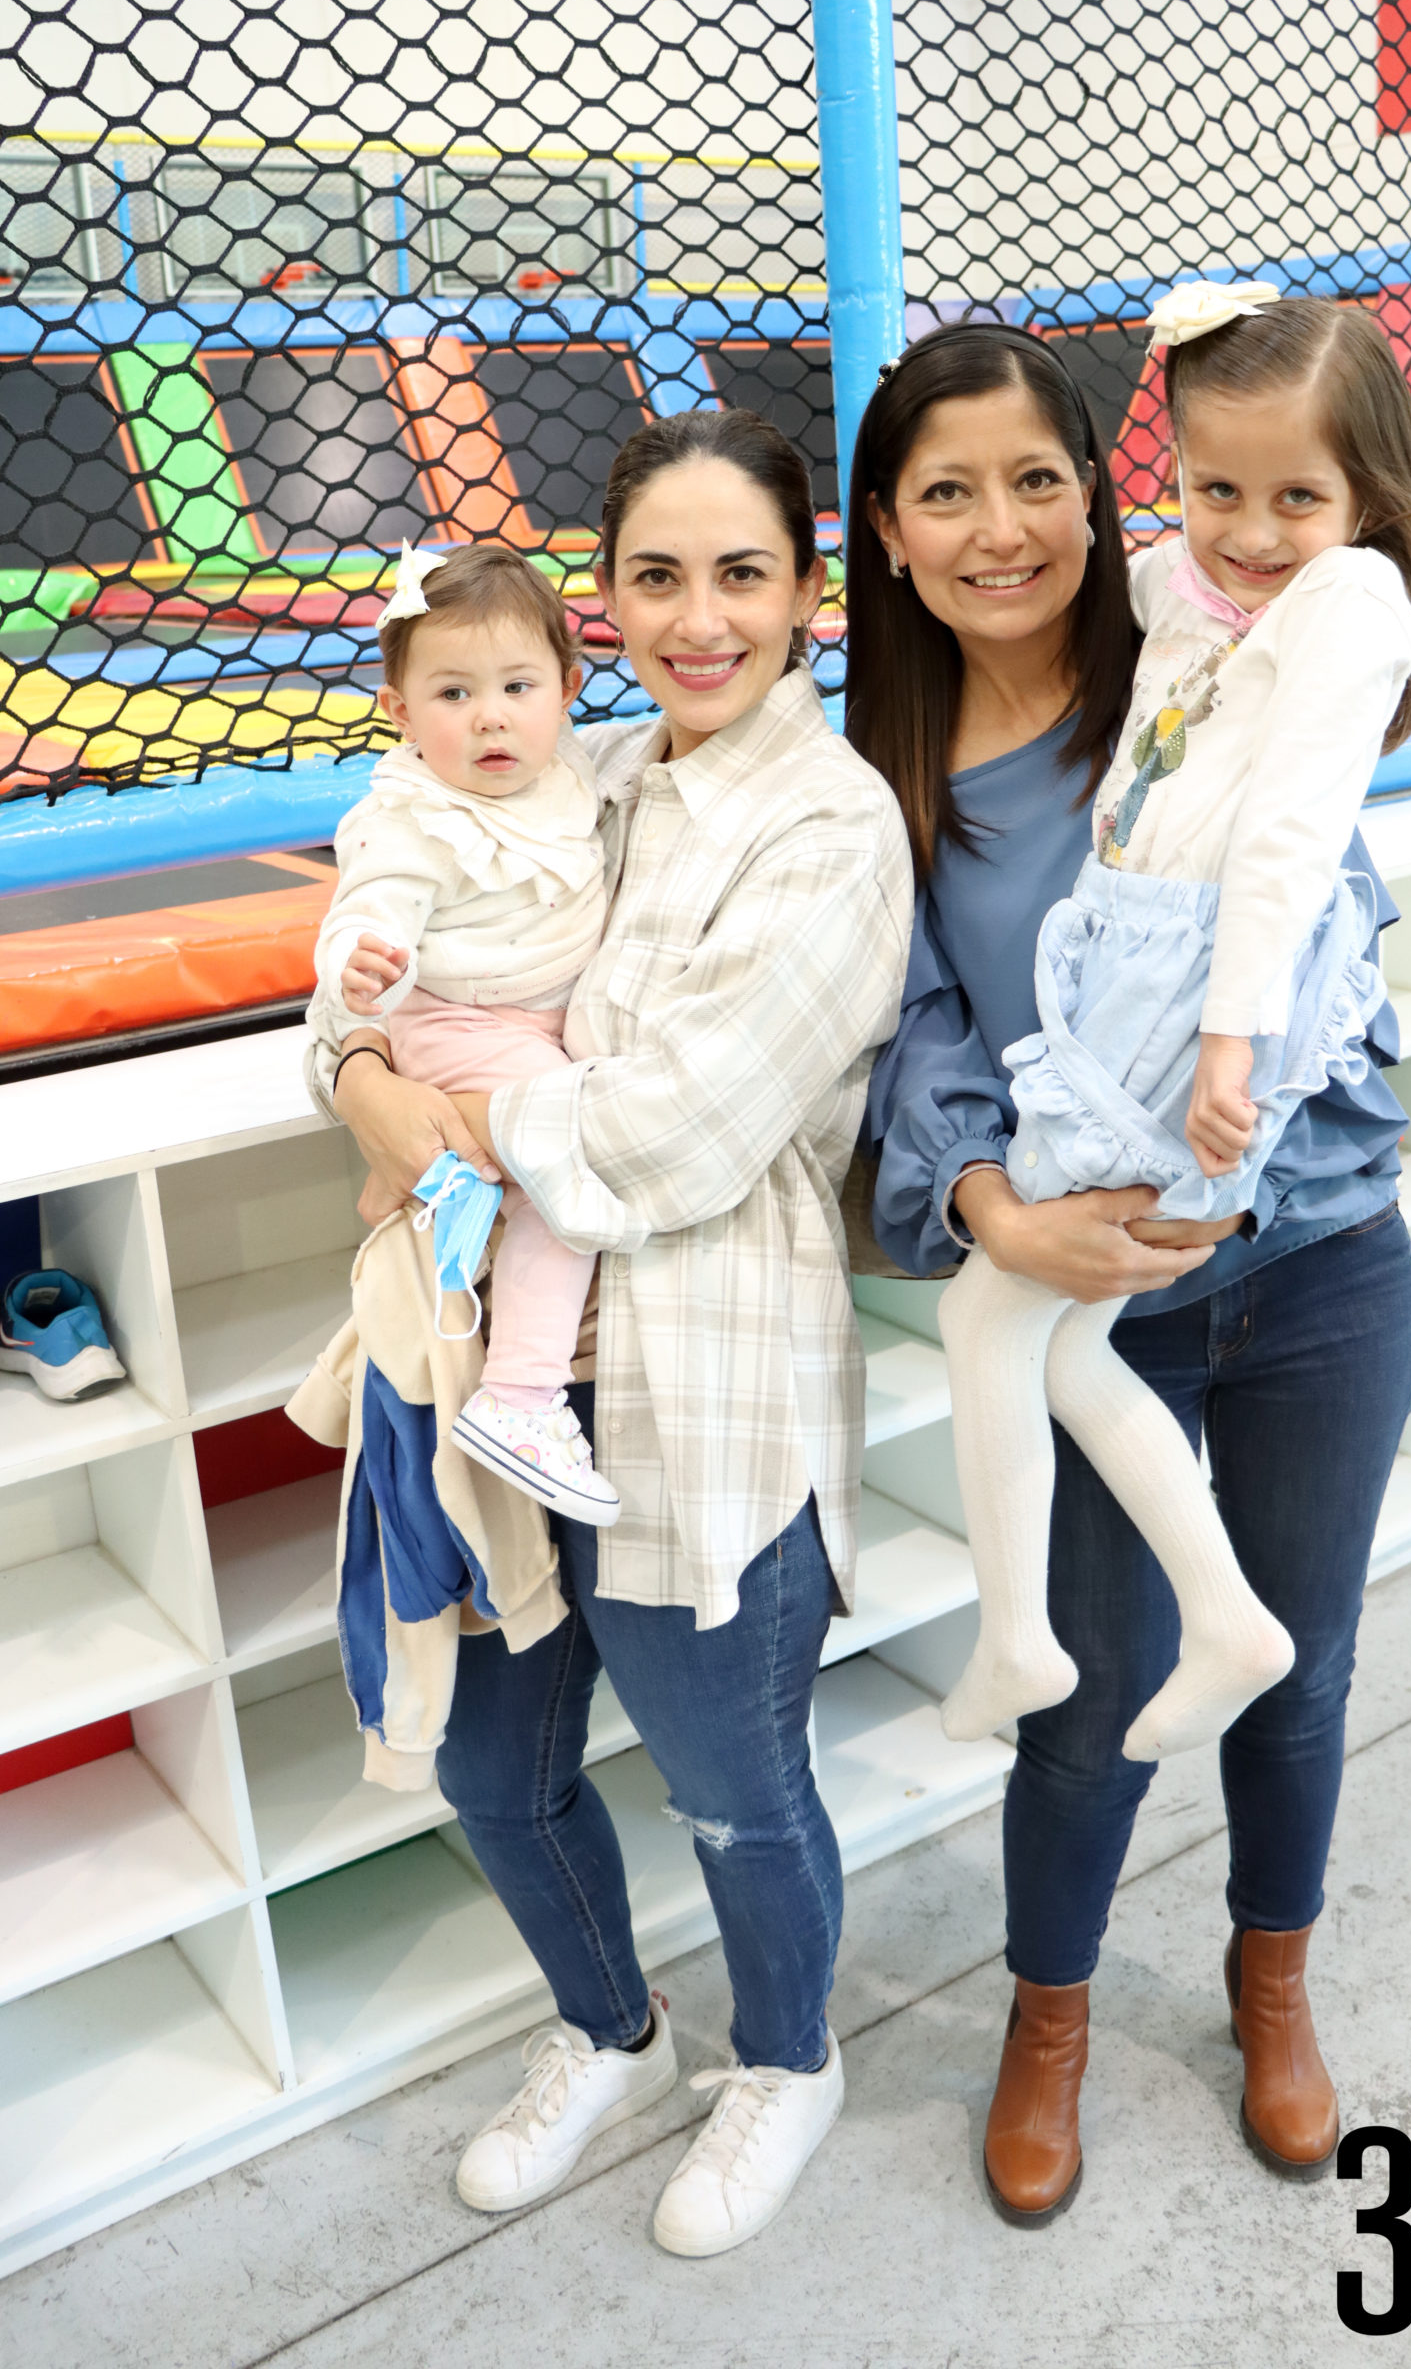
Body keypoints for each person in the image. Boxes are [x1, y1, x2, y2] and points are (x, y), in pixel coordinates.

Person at [844, 310, 1411, 2224]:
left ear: (1106, 504)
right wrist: (998, 1216)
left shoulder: (1206, 644)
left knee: (1299, 1664)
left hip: (1312, 1255)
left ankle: (1274, 1988)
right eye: (948, 493)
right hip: (1093, 1283)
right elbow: (921, 1031)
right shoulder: (890, 768)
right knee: (1085, 1692)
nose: (1000, 530)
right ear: (890, 525)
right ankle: (1051, 2017)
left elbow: (1315, 912)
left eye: (1038, 481)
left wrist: (1241, 1165)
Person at [318, 408, 912, 2259]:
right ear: (605, 603)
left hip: (699, 1382)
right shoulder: (581, 780)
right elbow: (378, 963)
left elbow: (668, 1132)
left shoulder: (830, 822)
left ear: (809, 593)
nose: (698, 614)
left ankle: (787, 2061)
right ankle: (609, 2028)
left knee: (737, 1789)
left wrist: (425, 1111)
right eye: (657, 575)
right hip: (495, 1380)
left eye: (742, 571)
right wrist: (350, 1063)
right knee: (499, 1771)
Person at [928, 279, 1411, 1769]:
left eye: (1297, 496)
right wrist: (1016, 524)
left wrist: (1232, 1040)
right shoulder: (1193, 592)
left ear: (1363, 499)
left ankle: (1021, 1636)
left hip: (1194, 980)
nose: (1252, 532)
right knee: (1066, 1342)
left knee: (987, 1316)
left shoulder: (1348, 604)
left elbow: (1285, 836)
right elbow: (1132, 576)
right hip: (1125, 959)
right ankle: (1212, 1616)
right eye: (1217, 487)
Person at [312, 538, 616, 1518]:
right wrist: (360, 962)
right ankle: (524, 1391)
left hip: (527, 1022)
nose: (490, 715)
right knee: (567, 1168)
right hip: (458, 1017)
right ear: (400, 712)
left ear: (568, 689)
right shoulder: (417, 817)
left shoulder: (570, 774)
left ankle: (447, 1183)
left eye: (517, 685)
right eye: (451, 695)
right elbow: (367, 907)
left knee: (538, 1156)